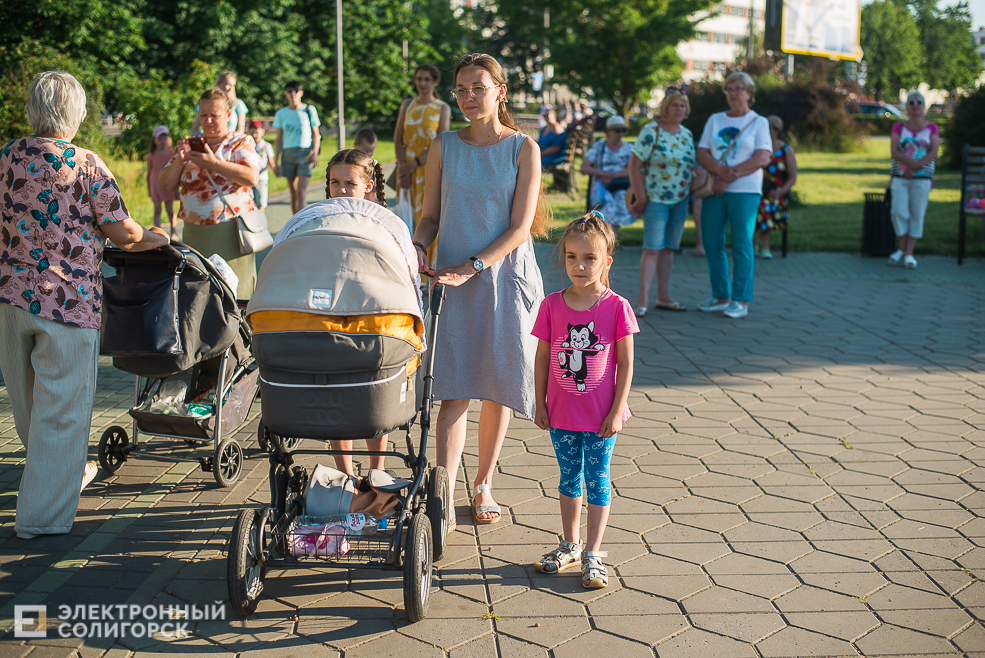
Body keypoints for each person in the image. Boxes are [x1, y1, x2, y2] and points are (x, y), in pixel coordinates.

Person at [1, 71, 170, 540]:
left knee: (30, 408)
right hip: (67, 303)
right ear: (75, 113)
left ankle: (57, 479)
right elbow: (124, 233)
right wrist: (157, 238)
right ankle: (42, 519)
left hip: (10, 297)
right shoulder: (86, 163)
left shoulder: (8, 155)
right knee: (63, 411)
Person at [412, 53, 546, 527]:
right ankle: (443, 491)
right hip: (449, 276)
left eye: (478, 88)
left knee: (496, 385)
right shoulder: (443, 145)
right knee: (452, 386)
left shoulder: (522, 148)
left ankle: (483, 482)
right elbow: (429, 216)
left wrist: (472, 267)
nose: (469, 97)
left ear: (500, 91)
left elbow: (519, 228)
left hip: (504, 279)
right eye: (462, 90)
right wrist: (417, 247)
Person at [531, 212, 638, 589]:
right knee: (568, 478)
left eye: (590, 258)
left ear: (606, 261)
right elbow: (542, 357)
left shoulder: (616, 307)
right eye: (572, 257)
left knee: (598, 479)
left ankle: (593, 552)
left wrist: (616, 410)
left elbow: (625, 364)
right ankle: (570, 543)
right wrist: (539, 402)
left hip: (601, 417)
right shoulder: (551, 305)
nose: (580, 265)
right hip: (561, 414)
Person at [320, 149, 389, 475]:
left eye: (350, 183)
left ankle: (377, 469)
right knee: (337, 401)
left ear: (368, 185)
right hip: (333, 319)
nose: (342, 189)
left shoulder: (383, 224)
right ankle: (344, 473)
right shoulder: (321, 219)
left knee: (375, 400)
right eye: (335, 182)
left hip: (375, 321)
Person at [158, 88, 260, 299]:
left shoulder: (240, 142)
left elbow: (251, 177)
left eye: (215, 115)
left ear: (228, 115)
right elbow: (166, 185)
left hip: (231, 231)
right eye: (204, 115)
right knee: (198, 293)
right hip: (195, 231)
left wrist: (214, 163)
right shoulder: (189, 145)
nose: (209, 120)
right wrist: (181, 160)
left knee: (236, 294)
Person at [695, 72, 771, 319]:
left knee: (741, 242)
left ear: (749, 93)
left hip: (745, 191)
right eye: (728, 89)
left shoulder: (759, 122)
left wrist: (726, 177)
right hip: (714, 188)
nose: (733, 93)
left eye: (738, 88)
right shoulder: (715, 120)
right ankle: (720, 296)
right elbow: (703, 151)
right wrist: (718, 172)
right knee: (712, 241)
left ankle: (741, 299)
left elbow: (762, 158)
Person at [628, 90, 696, 316]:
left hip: (680, 199)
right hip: (656, 199)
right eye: (675, 105)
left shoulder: (686, 134)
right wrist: (641, 195)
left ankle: (664, 297)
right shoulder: (652, 131)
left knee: (668, 249)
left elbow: (690, 164)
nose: (679, 109)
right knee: (652, 249)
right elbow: (634, 165)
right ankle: (642, 301)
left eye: (683, 106)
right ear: (665, 107)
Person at [394, 64, 451, 235]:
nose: (423, 83)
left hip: (429, 167)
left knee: (427, 216)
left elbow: (441, 142)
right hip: (406, 169)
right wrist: (404, 168)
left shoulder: (442, 108)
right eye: (419, 79)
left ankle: (427, 259)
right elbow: (398, 139)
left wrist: (415, 163)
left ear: (435, 82)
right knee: (404, 218)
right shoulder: (407, 105)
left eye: (427, 79)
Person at [888, 90, 938, 270]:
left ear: (923, 106)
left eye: (918, 102)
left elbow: (933, 152)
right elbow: (894, 152)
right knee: (897, 212)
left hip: (923, 178)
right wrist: (909, 165)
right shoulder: (899, 127)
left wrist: (916, 167)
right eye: (911, 102)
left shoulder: (931, 127)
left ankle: (908, 253)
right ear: (906, 107)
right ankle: (903, 249)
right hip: (900, 177)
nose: (915, 105)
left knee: (917, 213)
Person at [272, 81, 321, 215]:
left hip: (305, 153)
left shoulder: (309, 110)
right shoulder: (281, 113)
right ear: (285, 93)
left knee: (301, 189)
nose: (292, 94)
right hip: (288, 153)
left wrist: (315, 153)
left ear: (301, 93)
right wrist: (275, 162)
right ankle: (294, 222)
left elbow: (316, 135)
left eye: (295, 90)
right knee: (293, 191)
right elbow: (278, 139)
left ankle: (303, 221)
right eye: (289, 91)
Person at [581, 115, 635, 235]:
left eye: (623, 130)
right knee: (602, 217)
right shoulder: (599, 146)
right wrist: (602, 173)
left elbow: (634, 169)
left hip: (620, 187)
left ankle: (610, 242)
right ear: (608, 132)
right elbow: (584, 167)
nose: (620, 134)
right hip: (602, 188)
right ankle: (608, 241)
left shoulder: (629, 148)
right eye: (617, 130)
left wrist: (613, 175)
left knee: (616, 216)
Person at [755, 115, 797, 260]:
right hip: (757, 191)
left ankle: (765, 246)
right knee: (749, 204)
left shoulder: (786, 150)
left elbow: (792, 176)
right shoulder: (757, 147)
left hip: (776, 195)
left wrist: (780, 192)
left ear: (777, 131)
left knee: (765, 206)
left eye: (770, 128)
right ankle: (751, 243)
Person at [146, 125, 179, 238]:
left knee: (170, 209)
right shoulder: (151, 156)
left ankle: (173, 231)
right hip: (155, 184)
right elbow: (149, 172)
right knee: (157, 208)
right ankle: (158, 232)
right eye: (159, 138)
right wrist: (149, 188)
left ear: (168, 139)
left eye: (164, 138)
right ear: (154, 140)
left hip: (168, 185)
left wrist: (176, 187)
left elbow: (175, 170)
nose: (162, 141)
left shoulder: (172, 154)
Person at [248, 120, 275, 211]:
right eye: (252, 133)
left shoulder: (266, 146)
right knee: (251, 203)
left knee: (261, 203)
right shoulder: (247, 145)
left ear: (262, 132)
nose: (254, 135)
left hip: (261, 178)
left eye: (256, 132)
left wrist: (275, 169)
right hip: (249, 178)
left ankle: (261, 222)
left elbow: (270, 161)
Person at [353, 128, 379, 202]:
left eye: (371, 151)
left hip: (369, 202)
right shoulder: (351, 165)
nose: (369, 154)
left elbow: (376, 188)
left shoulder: (372, 165)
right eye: (366, 151)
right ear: (356, 145)